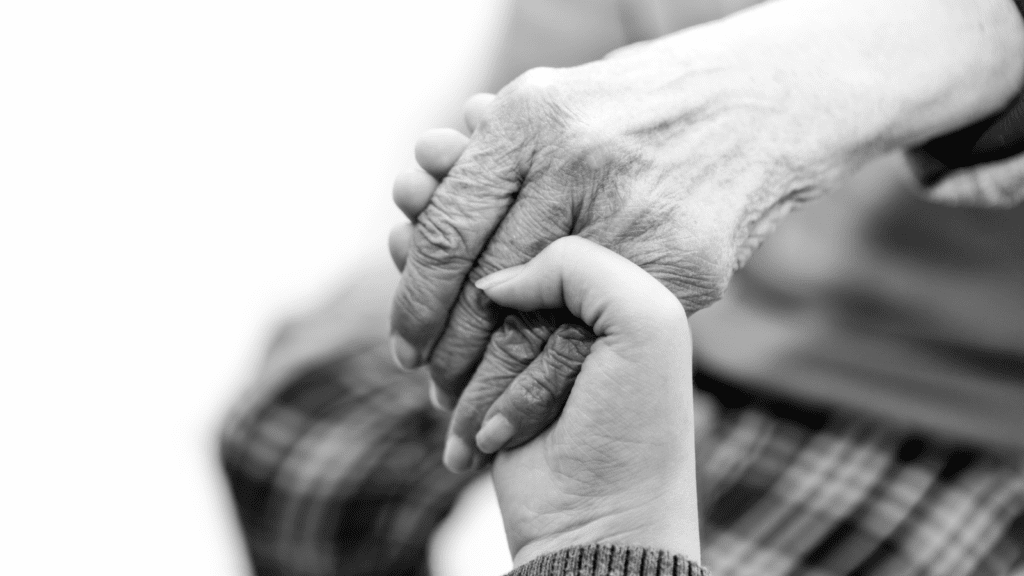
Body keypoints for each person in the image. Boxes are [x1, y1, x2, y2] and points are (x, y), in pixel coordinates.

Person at [221, 0, 1024, 574]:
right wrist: (493, 198)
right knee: (291, 446)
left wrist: (604, 536)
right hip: (655, 272)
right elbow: (561, 56)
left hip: (942, 384)